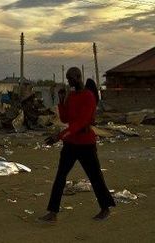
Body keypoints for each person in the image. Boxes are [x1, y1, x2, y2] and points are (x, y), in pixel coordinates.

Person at [40, 67, 115, 222]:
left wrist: (59, 136)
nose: (69, 82)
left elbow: (81, 123)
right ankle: (52, 212)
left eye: (70, 78)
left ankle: (105, 208)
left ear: (78, 77)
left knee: (95, 177)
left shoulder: (88, 96)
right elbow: (66, 119)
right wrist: (61, 102)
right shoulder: (72, 96)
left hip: (85, 143)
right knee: (60, 176)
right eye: (67, 79)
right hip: (71, 143)